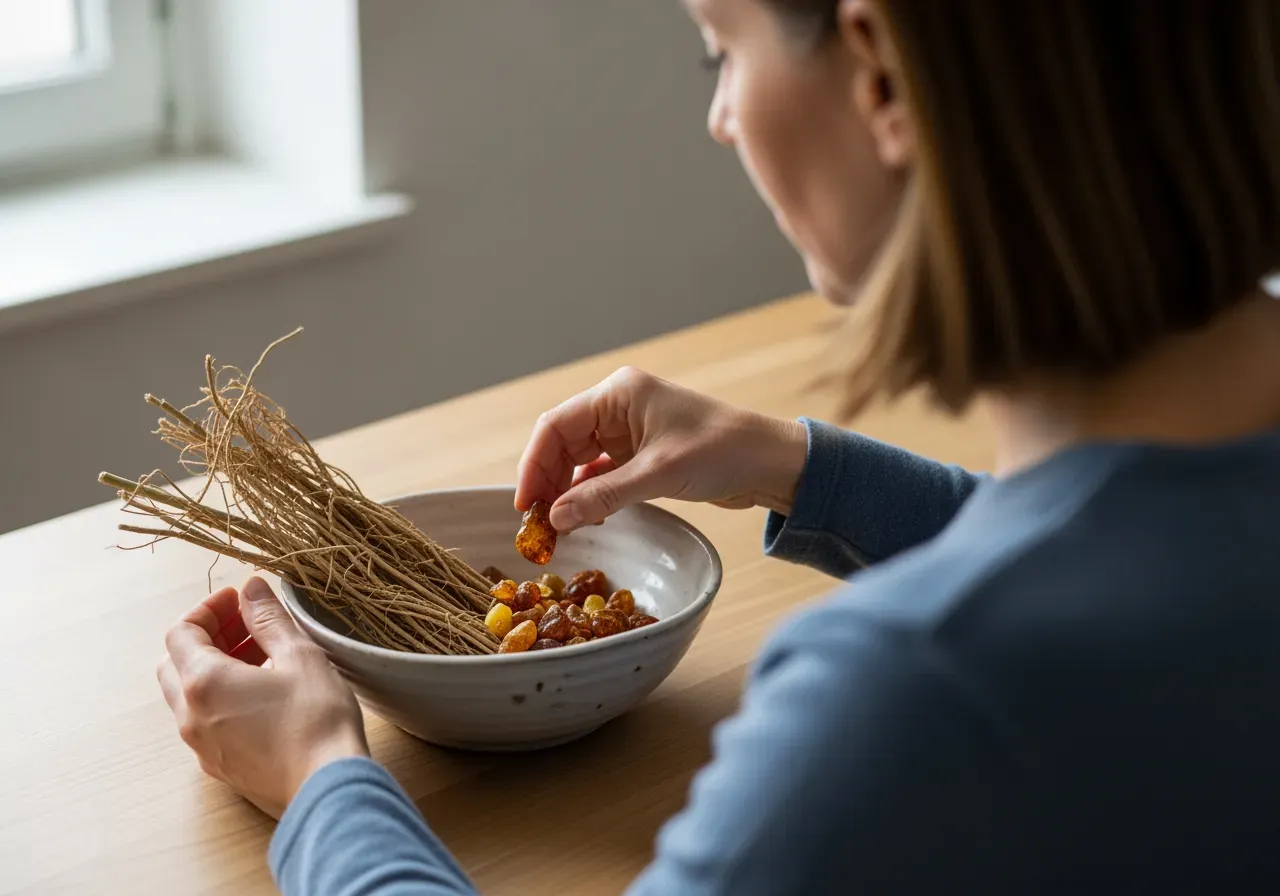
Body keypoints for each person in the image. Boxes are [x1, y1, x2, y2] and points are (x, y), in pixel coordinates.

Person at [155, 0, 1280, 891]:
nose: (722, 116)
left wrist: (319, 779)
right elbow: (1135, 566)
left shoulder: (903, 704)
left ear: (880, 70)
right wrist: (803, 463)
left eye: (718, 54)